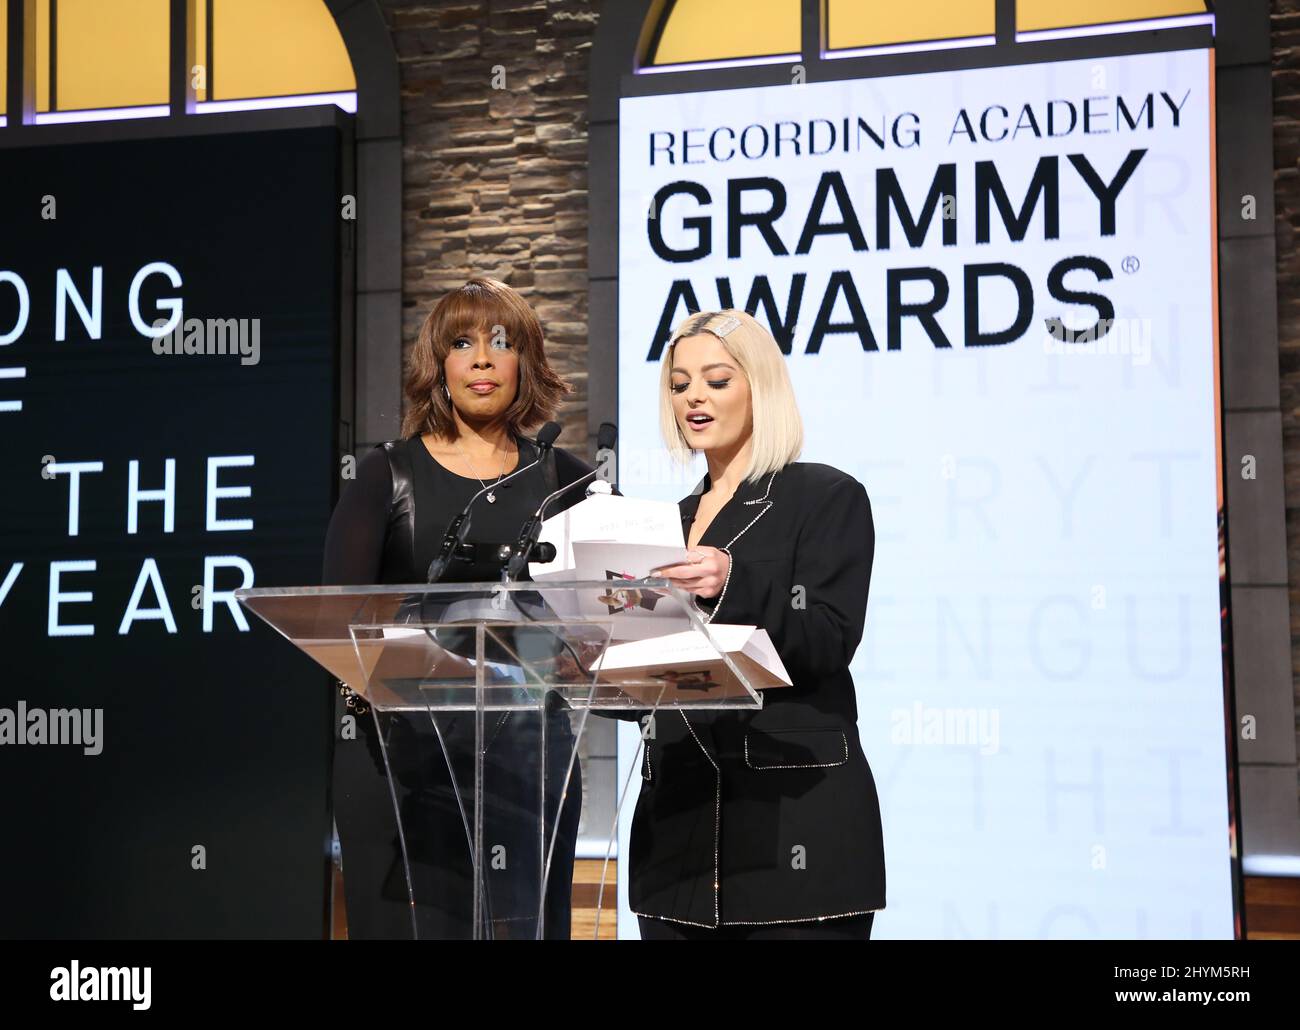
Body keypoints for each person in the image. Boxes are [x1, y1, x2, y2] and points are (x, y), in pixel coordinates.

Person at [321, 277, 594, 939]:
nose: (480, 359)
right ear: (438, 364)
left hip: (529, 764)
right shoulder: (384, 474)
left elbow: (595, 630)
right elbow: (337, 629)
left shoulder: (568, 480)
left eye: (500, 344)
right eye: (462, 343)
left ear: (525, 361)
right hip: (398, 763)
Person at [632, 309, 885, 940]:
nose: (694, 396)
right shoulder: (665, 523)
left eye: (717, 380)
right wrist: (585, 657)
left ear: (761, 387)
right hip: (677, 838)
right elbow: (652, 675)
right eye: (679, 382)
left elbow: (827, 640)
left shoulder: (825, 496)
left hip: (791, 822)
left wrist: (734, 582)